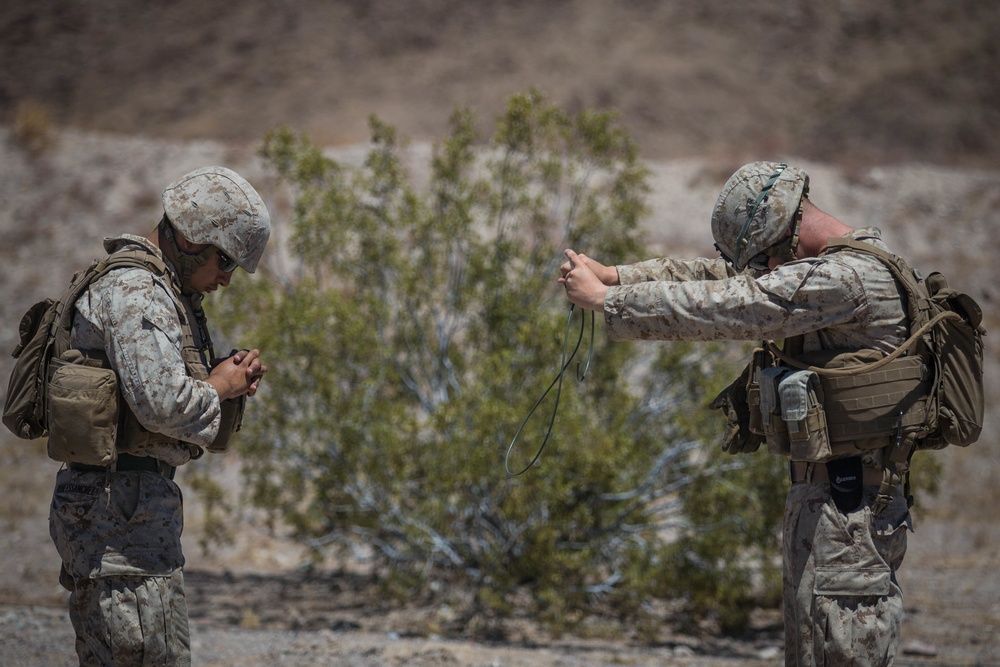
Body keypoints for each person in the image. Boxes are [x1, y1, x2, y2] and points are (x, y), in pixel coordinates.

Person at [559, 161, 913, 666]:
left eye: (764, 258)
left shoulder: (849, 278)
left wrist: (610, 302)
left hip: (851, 508)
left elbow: (734, 302)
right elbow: (719, 277)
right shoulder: (821, 265)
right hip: (830, 501)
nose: (762, 269)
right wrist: (616, 276)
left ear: (786, 232)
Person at [48, 166, 271, 666]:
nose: (226, 279)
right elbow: (161, 405)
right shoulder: (138, 292)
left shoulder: (157, 290)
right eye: (225, 260)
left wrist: (216, 380)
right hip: (120, 524)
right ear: (192, 238)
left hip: (130, 519)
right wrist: (220, 386)